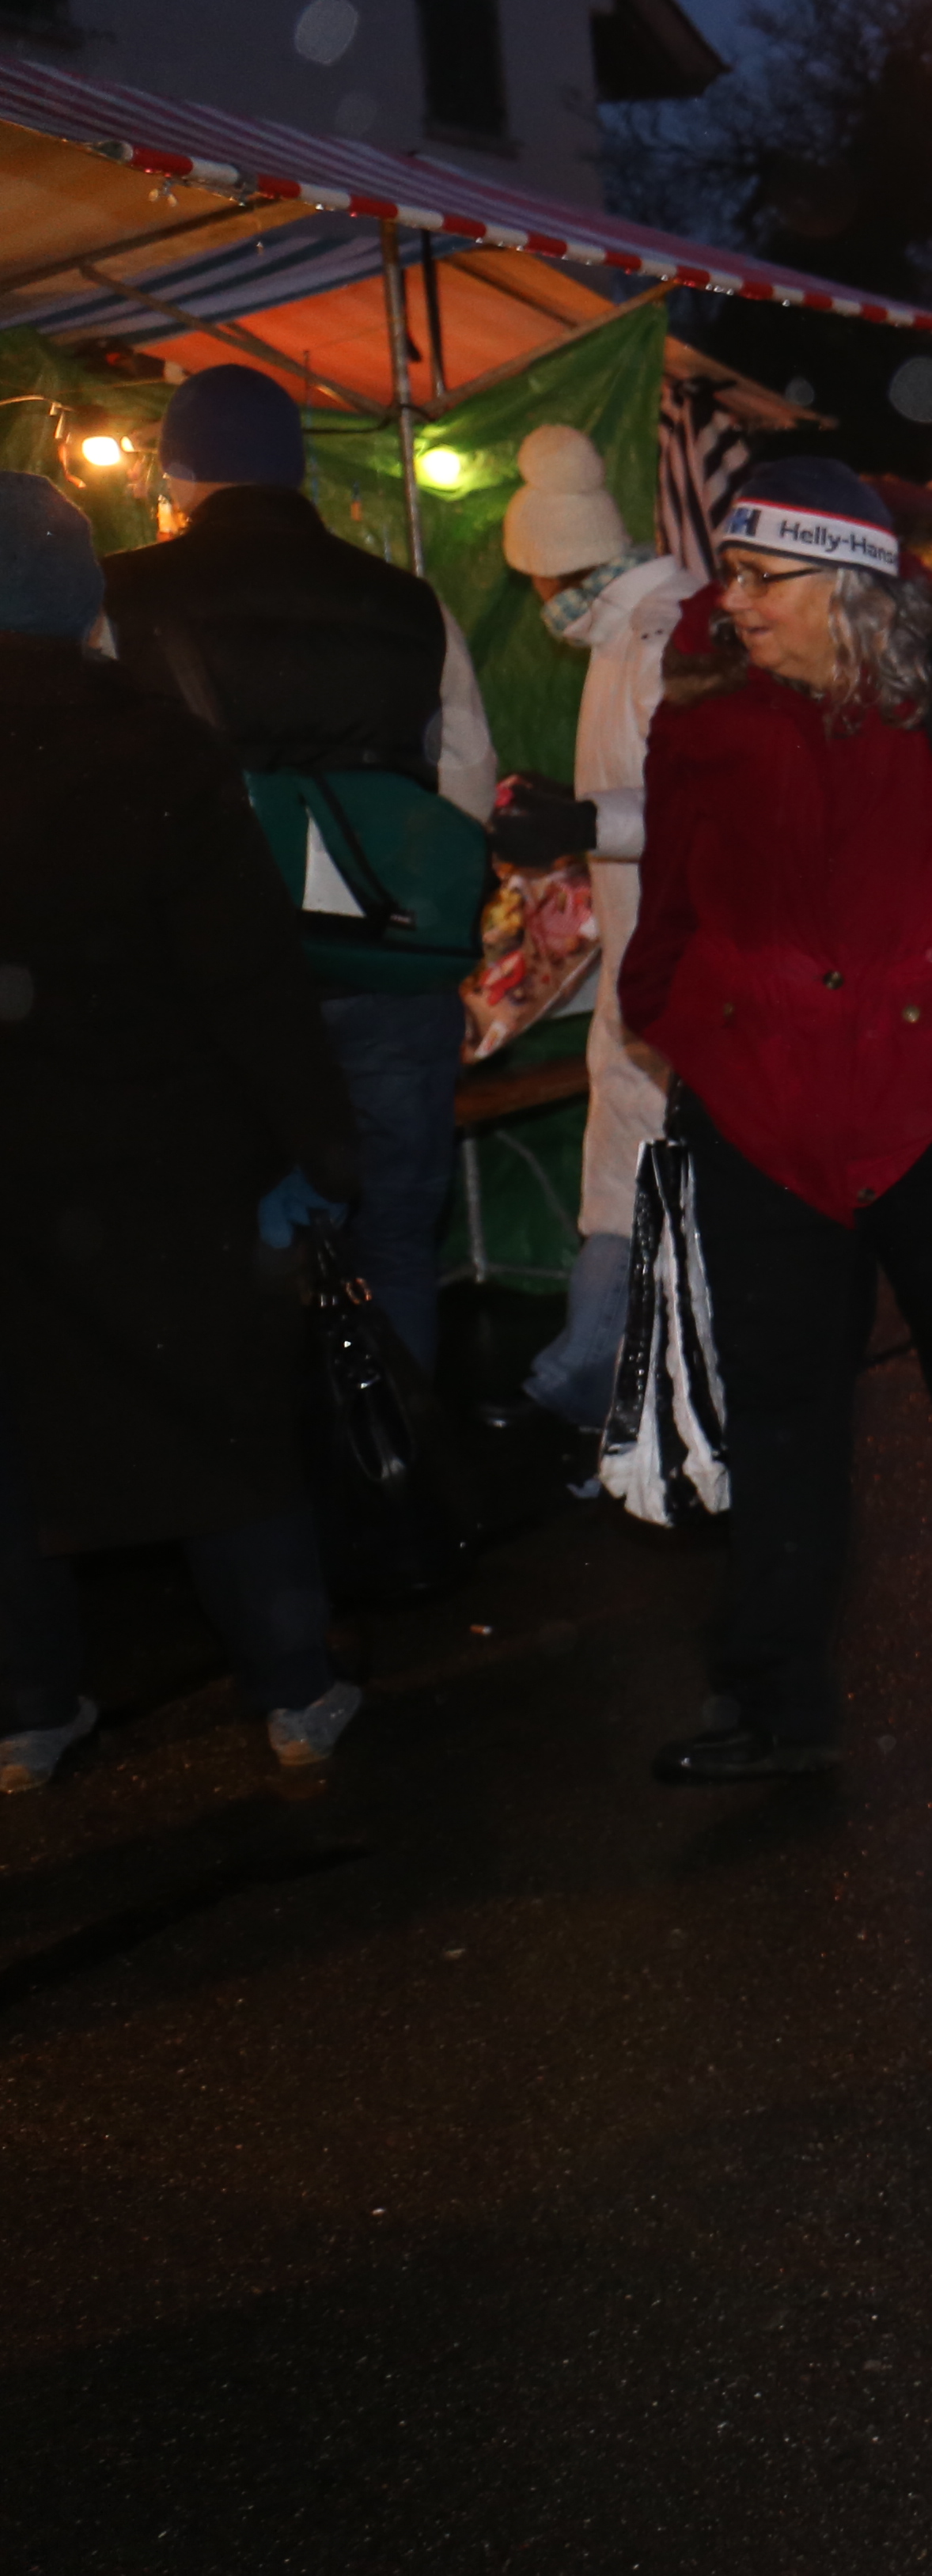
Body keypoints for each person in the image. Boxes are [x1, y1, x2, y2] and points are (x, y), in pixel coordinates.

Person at [621, 460, 932, 1781]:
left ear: (845, 585)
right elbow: (671, 891)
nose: (734, 599)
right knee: (780, 1401)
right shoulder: (707, 703)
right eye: (731, 571)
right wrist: (672, 1014)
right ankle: (772, 1695)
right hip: (761, 1101)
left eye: (761, 577)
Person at [0, 475, 372, 1787]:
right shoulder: (154, 746)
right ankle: (293, 1688)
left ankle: (29, 1708)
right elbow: (248, 975)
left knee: (14, 1448)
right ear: (80, 598)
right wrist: (318, 1142)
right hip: (164, 1161)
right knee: (216, 1427)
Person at [101, 366, 498, 1375]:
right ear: (296, 471)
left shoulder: (120, 596)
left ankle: (270, 1463)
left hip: (209, 985)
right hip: (390, 979)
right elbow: (466, 791)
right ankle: (393, 1449)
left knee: (229, 1248)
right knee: (395, 1240)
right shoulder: (412, 605)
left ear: (179, 471)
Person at [488, 426, 700, 1433]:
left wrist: (581, 824)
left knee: (642, 1184)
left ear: (547, 565)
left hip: (680, 968)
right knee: (625, 1181)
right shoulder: (626, 634)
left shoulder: (659, 635)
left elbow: (704, 806)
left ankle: (602, 1401)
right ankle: (595, 1393)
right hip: (642, 959)